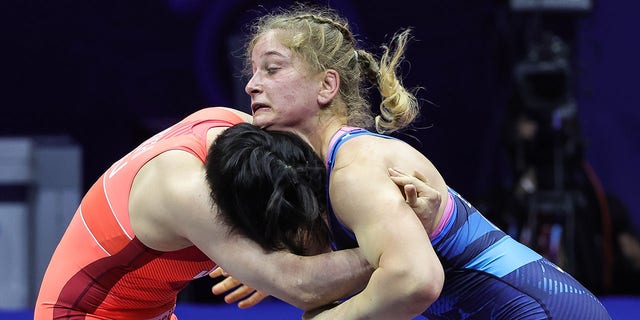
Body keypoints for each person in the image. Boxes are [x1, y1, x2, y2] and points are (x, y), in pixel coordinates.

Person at [212, 3, 611, 319]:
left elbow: (413, 281)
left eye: (272, 68)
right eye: (252, 71)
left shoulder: (356, 168)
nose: (251, 84)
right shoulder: (329, 171)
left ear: (327, 85)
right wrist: (285, 267)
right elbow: (370, 269)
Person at [34, 106, 439, 319]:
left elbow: (307, 193)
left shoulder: (240, 132)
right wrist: (398, 252)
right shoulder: (187, 192)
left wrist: (266, 258)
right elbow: (300, 286)